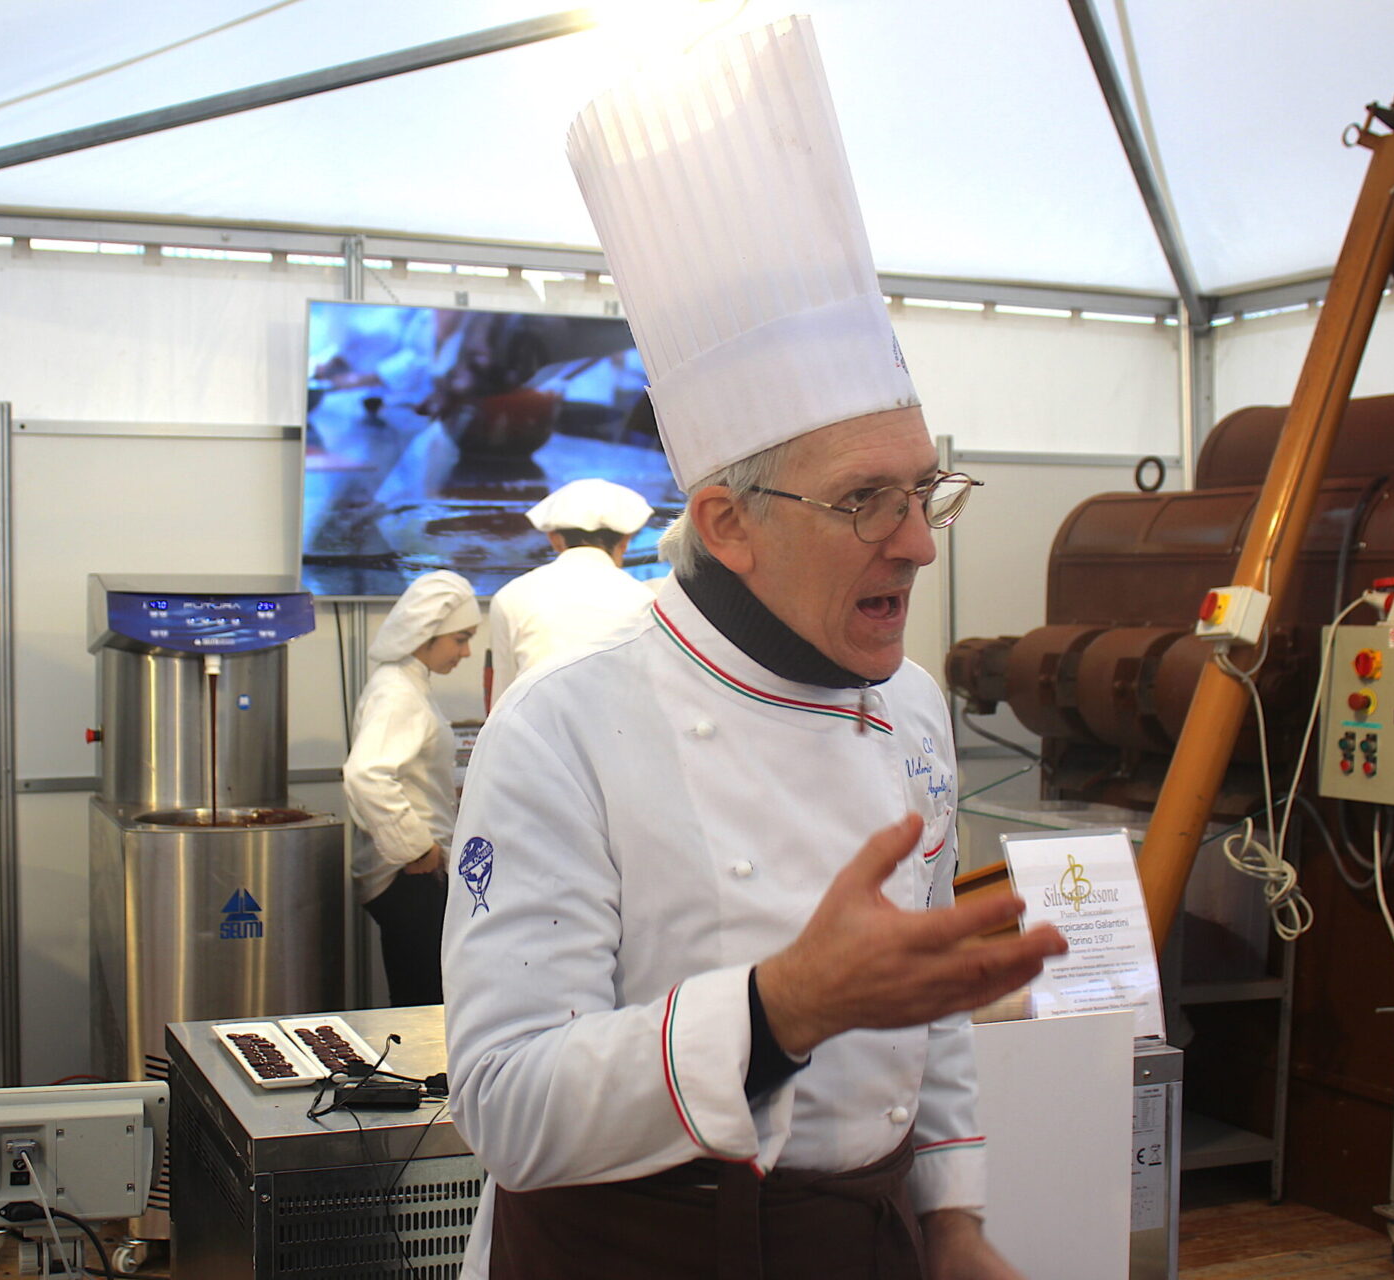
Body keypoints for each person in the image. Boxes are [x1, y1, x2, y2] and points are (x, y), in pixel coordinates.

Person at [441, 17, 1067, 1279]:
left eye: (925, 492)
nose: (918, 547)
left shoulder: (914, 713)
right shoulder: (563, 728)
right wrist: (785, 1007)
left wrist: (952, 1219)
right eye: (864, 502)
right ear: (727, 523)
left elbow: (926, 1014)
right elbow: (504, 1100)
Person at [342, 569, 480, 1007]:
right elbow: (366, 774)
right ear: (426, 635)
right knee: (422, 1001)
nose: (466, 651)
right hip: (409, 877)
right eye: (460, 639)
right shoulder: (398, 692)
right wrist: (417, 849)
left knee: (423, 996)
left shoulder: (409, 686)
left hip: (415, 873)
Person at [486, 477, 657, 704]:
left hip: (532, 734)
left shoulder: (510, 596)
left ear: (554, 539)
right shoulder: (646, 601)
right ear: (625, 540)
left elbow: (503, 698)